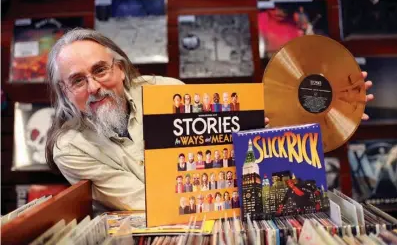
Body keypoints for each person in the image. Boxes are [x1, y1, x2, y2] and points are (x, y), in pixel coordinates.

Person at [45, 28, 374, 212]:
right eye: (77, 80)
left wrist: (333, 114)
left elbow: (234, 147)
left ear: (119, 67)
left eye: (100, 70)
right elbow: (144, 202)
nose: (93, 87)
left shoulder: (167, 92)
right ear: (63, 90)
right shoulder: (70, 146)